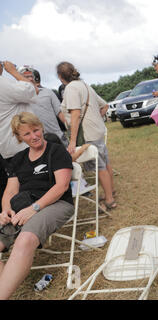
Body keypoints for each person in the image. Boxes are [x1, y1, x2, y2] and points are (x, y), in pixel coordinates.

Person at [0, 112, 74, 300]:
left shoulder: (56, 151)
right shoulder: (18, 159)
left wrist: (34, 209)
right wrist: (6, 210)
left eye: (36, 130)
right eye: (27, 134)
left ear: (41, 128)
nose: (34, 136)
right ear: (19, 137)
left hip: (56, 203)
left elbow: (61, 186)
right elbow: (10, 190)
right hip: (24, 206)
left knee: (24, 240)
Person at [56, 62, 117, 210]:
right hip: (96, 130)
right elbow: (104, 105)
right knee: (104, 162)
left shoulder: (70, 89)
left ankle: (109, 200)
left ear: (60, 77)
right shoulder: (84, 85)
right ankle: (111, 192)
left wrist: (72, 141)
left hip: (88, 134)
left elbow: (75, 115)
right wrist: (95, 118)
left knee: (99, 166)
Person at [0, 61, 37, 212]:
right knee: (26, 188)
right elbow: (31, 91)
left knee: (11, 185)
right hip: (18, 144)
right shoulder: (2, 83)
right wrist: (14, 72)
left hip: (6, 145)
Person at [18, 66, 69, 147]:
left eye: (31, 76)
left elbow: (60, 113)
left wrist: (71, 129)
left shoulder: (48, 92)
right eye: (26, 77)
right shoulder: (18, 97)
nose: (30, 79)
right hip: (36, 142)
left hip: (57, 138)